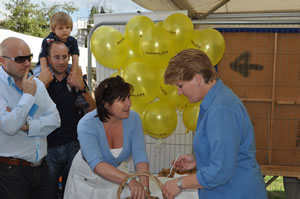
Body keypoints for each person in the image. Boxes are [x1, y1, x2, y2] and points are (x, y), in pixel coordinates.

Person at [162, 48, 268, 199]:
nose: (179, 92)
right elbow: (227, 153)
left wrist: (180, 183)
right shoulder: (216, 102)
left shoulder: (221, 108)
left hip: (235, 193)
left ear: (197, 79)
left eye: (180, 85)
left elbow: (221, 171)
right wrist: (198, 160)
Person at [64, 76, 150, 199]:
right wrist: (129, 180)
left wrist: (145, 188)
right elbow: (97, 165)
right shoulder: (87, 124)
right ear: (106, 104)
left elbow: (140, 157)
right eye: (122, 100)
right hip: (85, 185)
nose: (129, 104)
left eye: (129, 98)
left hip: (116, 182)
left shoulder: (134, 119)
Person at [0, 37, 61, 199]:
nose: (27, 63)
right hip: (10, 172)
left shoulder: (37, 84)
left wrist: (27, 126)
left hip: (42, 167)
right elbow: (10, 127)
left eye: (29, 57)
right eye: (20, 59)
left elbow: (56, 119)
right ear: (3, 61)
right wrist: (27, 96)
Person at [38, 40, 96, 199]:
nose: (62, 61)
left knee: (72, 193)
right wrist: (40, 87)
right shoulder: (40, 80)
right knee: (48, 193)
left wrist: (83, 88)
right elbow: (30, 113)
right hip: (48, 148)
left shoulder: (75, 78)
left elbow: (93, 110)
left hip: (73, 146)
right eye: (57, 57)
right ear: (48, 59)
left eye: (65, 57)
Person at [34, 11, 89, 109]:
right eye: (61, 28)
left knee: (77, 74)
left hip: (65, 66)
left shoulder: (72, 40)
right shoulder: (48, 40)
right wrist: (45, 71)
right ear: (53, 29)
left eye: (67, 27)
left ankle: (79, 96)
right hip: (45, 65)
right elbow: (42, 56)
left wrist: (74, 71)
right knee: (38, 76)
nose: (65, 30)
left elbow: (75, 56)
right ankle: (37, 91)